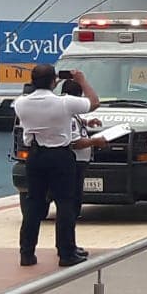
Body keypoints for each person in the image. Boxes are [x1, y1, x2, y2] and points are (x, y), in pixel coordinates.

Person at [14, 65, 99, 267]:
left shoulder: (21, 103)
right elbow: (94, 102)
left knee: (34, 204)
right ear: (54, 81)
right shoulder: (65, 102)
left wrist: (50, 82)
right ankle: (66, 253)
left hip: (35, 155)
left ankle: (27, 253)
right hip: (60, 155)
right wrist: (82, 81)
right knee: (65, 204)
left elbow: (39, 96)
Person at [60, 80, 106, 220]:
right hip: (75, 161)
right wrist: (95, 141)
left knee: (75, 194)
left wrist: (86, 122)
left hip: (79, 161)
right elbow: (75, 142)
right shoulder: (69, 114)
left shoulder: (69, 112)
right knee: (73, 196)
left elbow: (74, 122)